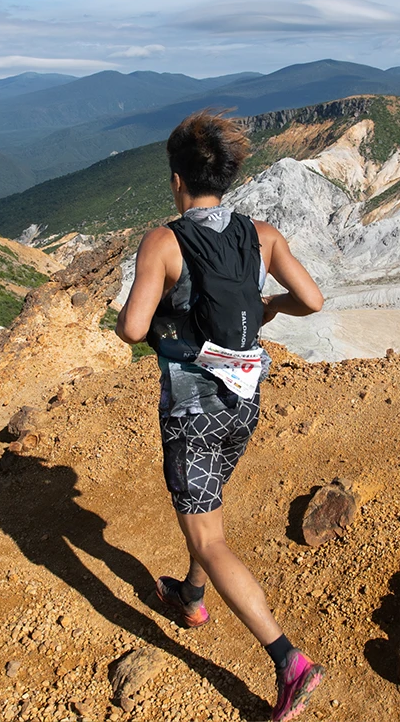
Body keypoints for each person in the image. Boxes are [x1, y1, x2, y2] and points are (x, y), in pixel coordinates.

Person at [115, 111, 326, 721]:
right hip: (244, 400)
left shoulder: (165, 240)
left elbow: (132, 329)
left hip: (192, 409)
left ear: (178, 179)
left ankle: (289, 660)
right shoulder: (261, 234)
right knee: (206, 502)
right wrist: (269, 307)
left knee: (209, 534)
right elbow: (311, 300)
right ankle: (191, 594)